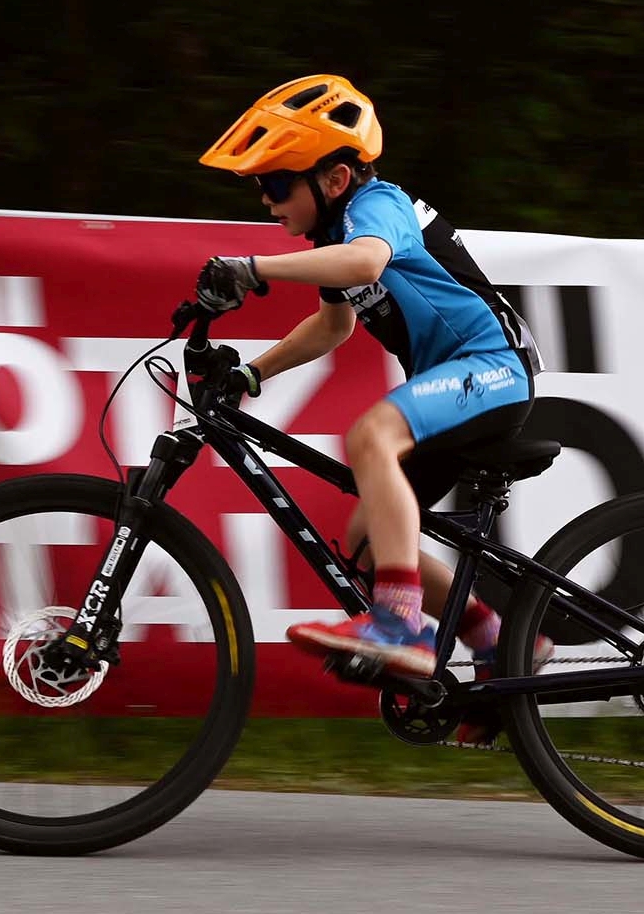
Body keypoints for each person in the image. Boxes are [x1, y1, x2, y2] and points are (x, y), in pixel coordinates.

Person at [192, 74, 547, 719]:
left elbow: (365, 265)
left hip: (493, 367)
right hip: (462, 379)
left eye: (276, 184)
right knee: (365, 541)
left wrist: (252, 268)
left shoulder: (378, 206)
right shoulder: (335, 236)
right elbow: (335, 325)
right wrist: (252, 374)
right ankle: (497, 640)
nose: (267, 202)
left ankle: (399, 626)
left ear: (334, 179)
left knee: (371, 436)